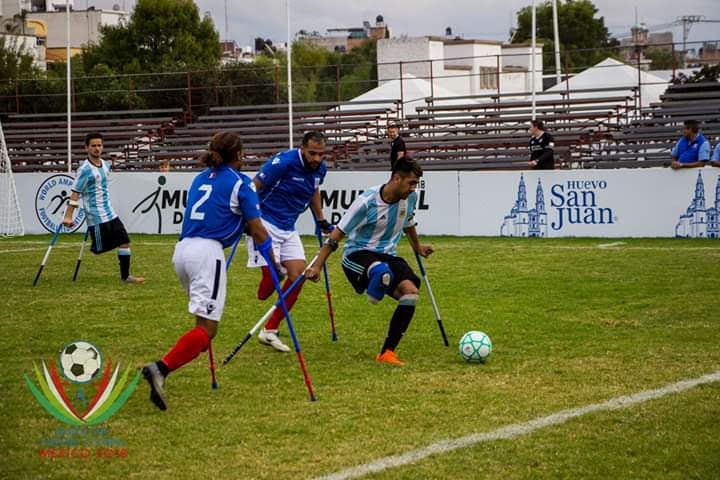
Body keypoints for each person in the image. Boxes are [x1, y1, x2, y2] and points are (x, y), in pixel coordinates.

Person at [142, 132, 281, 411]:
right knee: (208, 329)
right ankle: (160, 368)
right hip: (207, 254)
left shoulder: (200, 178)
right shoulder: (242, 183)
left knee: (203, 323)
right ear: (239, 155)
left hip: (182, 251)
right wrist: (274, 264)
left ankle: (175, 359)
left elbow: (221, 213)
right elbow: (257, 230)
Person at [306, 157, 434, 366]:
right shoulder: (366, 203)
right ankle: (377, 283)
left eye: (415, 184)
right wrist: (317, 266)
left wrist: (417, 248)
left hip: (388, 255)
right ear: (396, 178)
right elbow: (337, 235)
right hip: (357, 255)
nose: (413, 188)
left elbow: (408, 222)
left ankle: (387, 353)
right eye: (410, 183)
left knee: (411, 292)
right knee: (380, 270)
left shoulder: (410, 198)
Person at [247, 131, 333, 352]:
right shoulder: (284, 162)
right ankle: (269, 280)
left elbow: (314, 189)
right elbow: (253, 186)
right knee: (269, 286)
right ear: (302, 148)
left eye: (321, 154)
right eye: (312, 153)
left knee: (298, 276)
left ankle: (270, 330)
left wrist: (321, 219)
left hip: (288, 227)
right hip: (265, 224)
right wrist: (250, 219)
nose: (316, 159)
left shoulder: (320, 169)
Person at [62, 132, 144, 284]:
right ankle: (97, 247)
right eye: (93, 146)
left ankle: (126, 277)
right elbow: (75, 193)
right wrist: (68, 216)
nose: (97, 148)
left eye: (99, 145)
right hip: (96, 215)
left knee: (124, 240)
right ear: (86, 148)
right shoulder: (85, 169)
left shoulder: (105, 165)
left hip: (110, 212)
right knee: (99, 249)